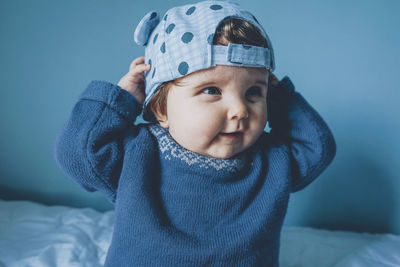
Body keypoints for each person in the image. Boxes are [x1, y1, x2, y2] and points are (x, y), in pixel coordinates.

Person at [55, 1, 336, 266]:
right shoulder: (140, 152)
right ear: (161, 108)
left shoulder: (271, 160)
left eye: (254, 92)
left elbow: (317, 148)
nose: (240, 109)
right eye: (212, 90)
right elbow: (79, 155)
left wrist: (279, 97)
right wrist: (122, 99)